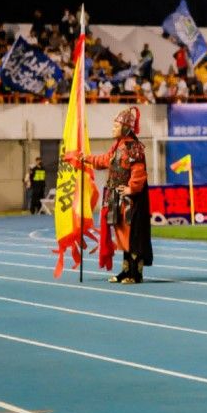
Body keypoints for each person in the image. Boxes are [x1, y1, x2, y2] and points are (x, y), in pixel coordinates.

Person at [65, 106, 152, 283]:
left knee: (133, 235)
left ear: (126, 127)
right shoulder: (117, 147)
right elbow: (104, 160)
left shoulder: (133, 147)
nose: (113, 128)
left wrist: (132, 188)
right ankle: (126, 270)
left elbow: (139, 170)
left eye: (116, 125)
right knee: (122, 236)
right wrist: (86, 158)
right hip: (117, 198)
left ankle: (136, 273)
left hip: (132, 200)